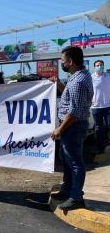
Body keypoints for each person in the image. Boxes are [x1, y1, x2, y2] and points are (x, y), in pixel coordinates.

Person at [50, 46, 93, 210]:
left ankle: (76, 197)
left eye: (63, 61)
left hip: (72, 126)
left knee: (74, 162)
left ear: (71, 61)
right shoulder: (78, 77)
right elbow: (69, 97)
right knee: (66, 159)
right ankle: (67, 189)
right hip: (71, 125)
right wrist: (59, 84)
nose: (62, 64)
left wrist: (59, 129)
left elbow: (74, 112)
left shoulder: (79, 81)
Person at [90, 60, 110, 154]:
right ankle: (100, 148)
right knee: (98, 128)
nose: (99, 67)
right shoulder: (91, 78)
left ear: (103, 66)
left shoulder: (108, 76)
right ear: (94, 67)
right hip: (96, 107)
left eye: (101, 65)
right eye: (97, 65)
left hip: (108, 106)